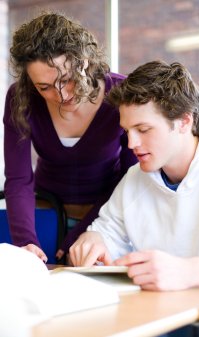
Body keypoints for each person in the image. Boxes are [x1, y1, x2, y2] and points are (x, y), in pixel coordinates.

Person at [3, 12, 137, 263]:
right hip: (47, 214)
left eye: (67, 80)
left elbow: (131, 179)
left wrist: (82, 229)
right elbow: (19, 179)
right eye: (44, 87)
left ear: (84, 62)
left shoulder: (121, 94)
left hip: (108, 220)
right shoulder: (20, 98)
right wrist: (26, 242)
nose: (61, 95)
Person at [69, 60, 199, 291]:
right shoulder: (136, 178)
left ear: (184, 121)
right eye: (127, 131)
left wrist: (188, 272)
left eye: (143, 130)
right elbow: (107, 231)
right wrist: (95, 240)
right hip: (158, 314)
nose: (132, 143)